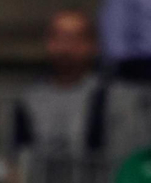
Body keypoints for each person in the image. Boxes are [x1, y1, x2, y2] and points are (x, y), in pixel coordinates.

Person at [13, 9, 107, 156]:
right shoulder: (30, 98)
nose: (65, 47)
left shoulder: (110, 97)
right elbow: (17, 155)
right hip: (40, 176)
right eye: (58, 37)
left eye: (75, 38)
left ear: (93, 45)